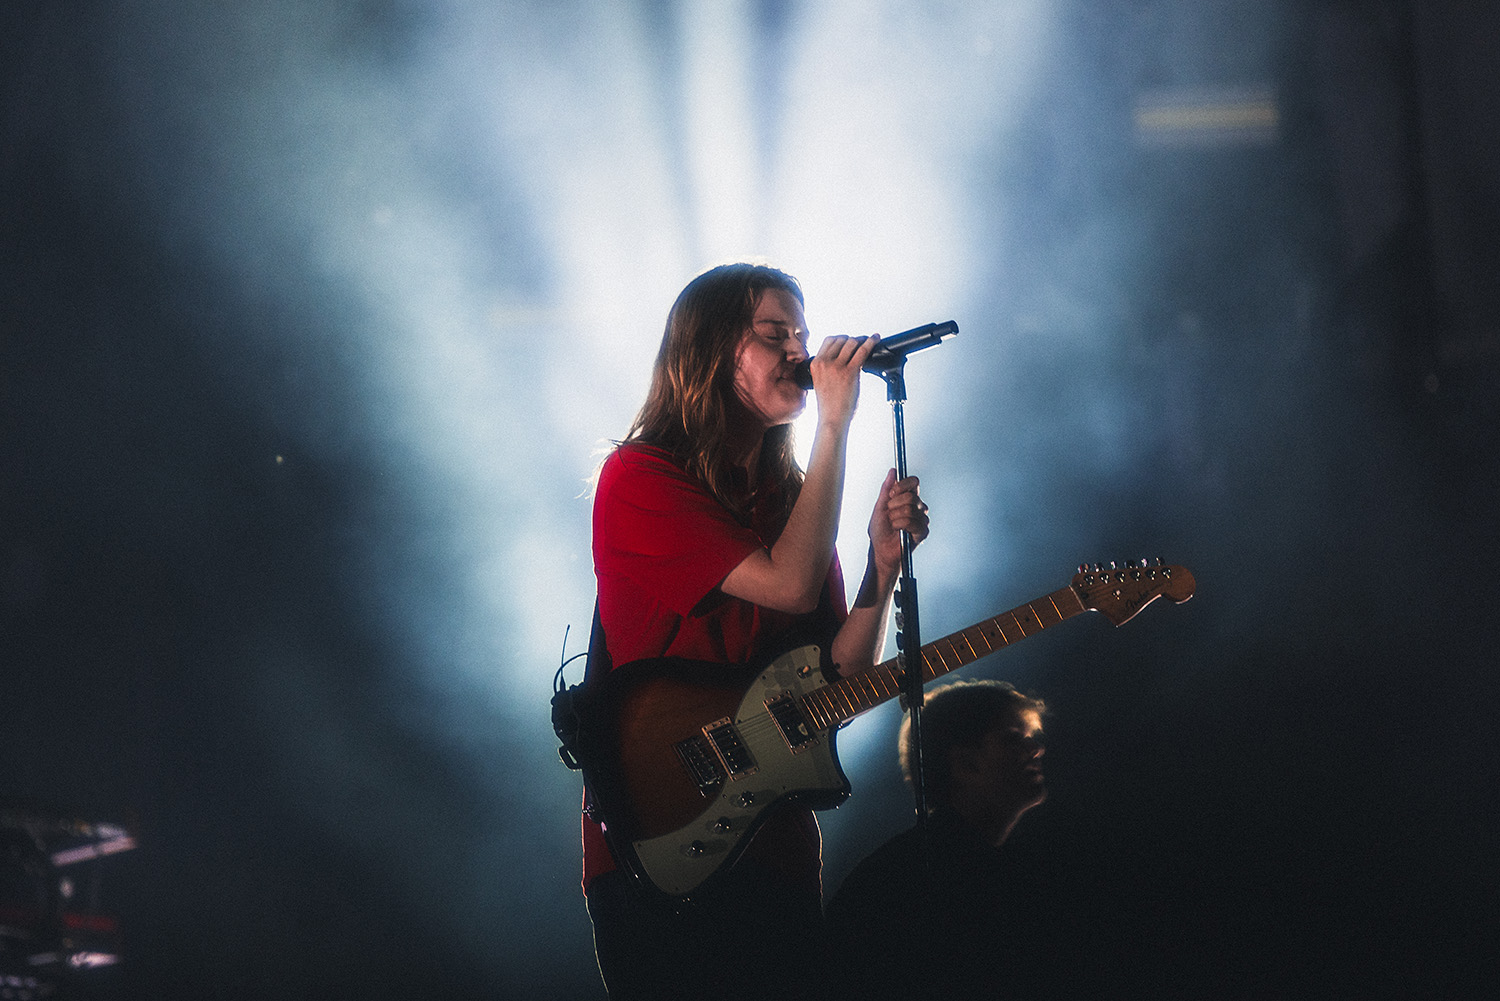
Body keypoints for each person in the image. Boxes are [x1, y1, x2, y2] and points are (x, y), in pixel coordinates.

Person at [583, 262, 930, 1000]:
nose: (800, 352)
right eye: (775, 334)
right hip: (662, 834)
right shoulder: (639, 477)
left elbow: (839, 676)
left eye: (801, 333)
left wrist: (881, 568)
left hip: (774, 836)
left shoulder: (789, 498)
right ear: (710, 352)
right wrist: (836, 422)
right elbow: (788, 581)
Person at [825, 680, 1050, 1001]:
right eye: (1013, 738)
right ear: (964, 763)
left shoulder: (912, 861)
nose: (1035, 749)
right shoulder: (937, 876)